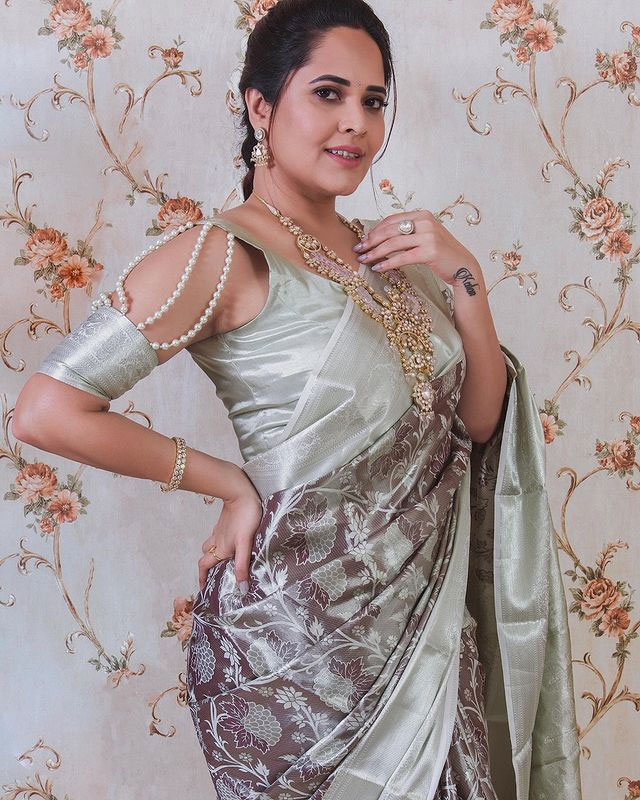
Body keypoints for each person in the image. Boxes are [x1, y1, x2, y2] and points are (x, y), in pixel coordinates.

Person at [12, 1, 583, 798]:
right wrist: (226, 482)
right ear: (261, 106)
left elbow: (478, 421)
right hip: (292, 652)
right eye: (328, 94)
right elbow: (46, 410)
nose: (356, 123)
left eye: (373, 101)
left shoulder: (393, 253)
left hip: (424, 635)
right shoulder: (219, 254)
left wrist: (465, 281)